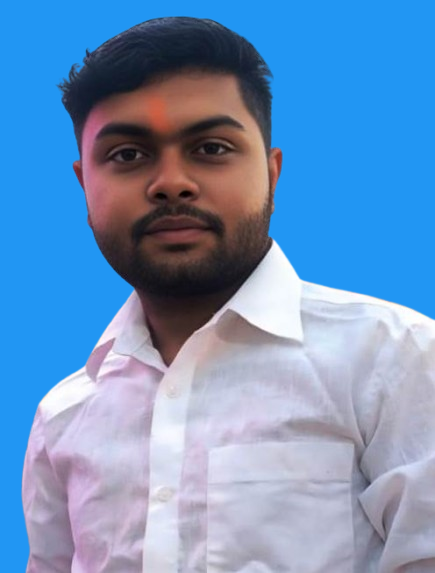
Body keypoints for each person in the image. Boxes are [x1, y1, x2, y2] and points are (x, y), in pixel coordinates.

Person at [22, 16, 435, 573]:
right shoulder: (64, 416)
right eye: (127, 155)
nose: (171, 183)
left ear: (271, 172)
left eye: (211, 148)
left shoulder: (394, 361)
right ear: (83, 184)